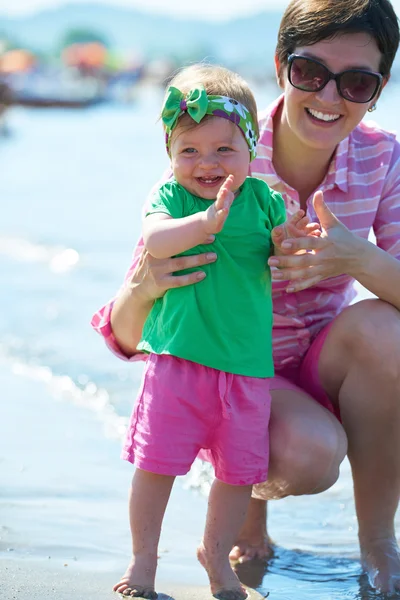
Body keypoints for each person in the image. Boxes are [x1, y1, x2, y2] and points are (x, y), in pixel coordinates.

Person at [92, 0, 400, 595]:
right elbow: (128, 334)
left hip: (316, 363)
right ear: (282, 65)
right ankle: (243, 519)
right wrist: (148, 282)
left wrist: (357, 258)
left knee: (386, 333)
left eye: (357, 82)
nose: (330, 98)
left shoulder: (383, 158)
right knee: (311, 456)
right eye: (312, 72)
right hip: (226, 367)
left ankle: (379, 547)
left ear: (378, 89)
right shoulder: (218, 151)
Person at [99, 65, 319, 600]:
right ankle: (144, 561)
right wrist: (203, 225)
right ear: (171, 156)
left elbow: (280, 248)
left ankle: (217, 558)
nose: (207, 163)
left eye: (224, 150)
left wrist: (292, 240)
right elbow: (154, 239)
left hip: (245, 370)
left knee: (238, 473)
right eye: (190, 151)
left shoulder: (264, 200)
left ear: (251, 151)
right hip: (178, 363)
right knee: (157, 467)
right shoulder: (172, 199)